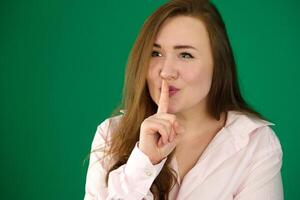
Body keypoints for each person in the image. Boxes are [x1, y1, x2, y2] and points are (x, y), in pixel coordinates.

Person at [84, 0, 284, 199]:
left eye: (186, 55)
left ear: (218, 65)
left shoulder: (256, 143)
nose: (166, 72)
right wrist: (144, 161)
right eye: (155, 53)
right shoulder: (110, 134)